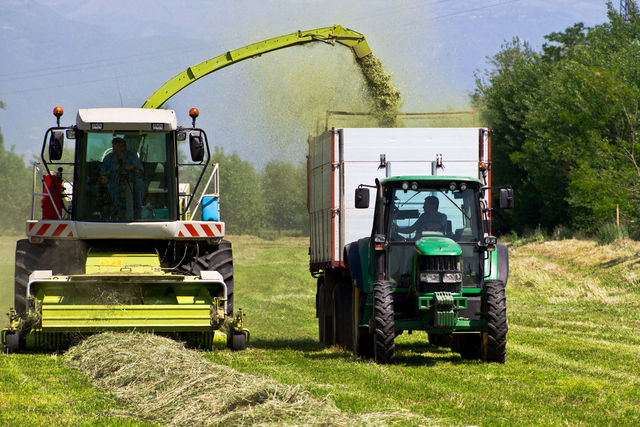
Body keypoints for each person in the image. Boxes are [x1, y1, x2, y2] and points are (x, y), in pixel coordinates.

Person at [100, 137, 145, 219]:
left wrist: (131, 167)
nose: (117, 149)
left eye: (120, 147)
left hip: (132, 180)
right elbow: (103, 173)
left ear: (124, 147)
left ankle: (138, 211)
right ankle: (119, 210)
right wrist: (105, 178)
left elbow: (140, 171)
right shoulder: (108, 158)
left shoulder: (132, 156)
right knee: (111, 187)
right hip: (114, 180)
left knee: (139, 184)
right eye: (115, 147)